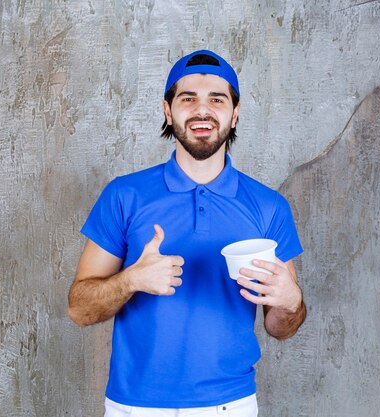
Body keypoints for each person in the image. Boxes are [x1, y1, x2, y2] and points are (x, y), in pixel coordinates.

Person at [68, 49, 306, 417]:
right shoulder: (124, 195)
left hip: (231, 405)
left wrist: (290, 301)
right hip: (134, 406)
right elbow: (79, 309)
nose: (202, 111)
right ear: (168, 110)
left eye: (217, 99)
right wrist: (130, 280)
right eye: (187, 98)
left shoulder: (269, 206)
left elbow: (281, 327)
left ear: (235, 112)